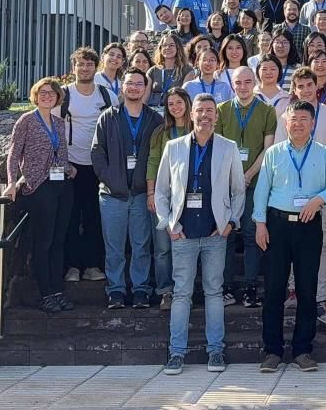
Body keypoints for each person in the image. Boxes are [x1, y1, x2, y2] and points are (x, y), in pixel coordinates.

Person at [155, 93, 246, 375]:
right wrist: (169, 223)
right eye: (200, 110)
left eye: (210, 111)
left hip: (215, 232)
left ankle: (215, 351)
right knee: (181, 293)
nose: (205, 115)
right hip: (183, 232)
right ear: (191, 114)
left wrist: (231, 222)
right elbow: (161, 191)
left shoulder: (228, 148)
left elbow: (238, 190)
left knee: (214, 292)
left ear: (217, 116)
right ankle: (176, 352)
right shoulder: (174, 147)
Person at [253, 100, 326, 373]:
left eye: (304, 119)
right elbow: (262, 192)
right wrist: (260, 223)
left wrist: (319, 200)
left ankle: (303, 350)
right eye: (294, 119)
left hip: (309, 226)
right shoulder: (274, 153)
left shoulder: (324, 153)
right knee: (274, 291)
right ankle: (272, 351)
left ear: (313, 123)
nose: (299, 123)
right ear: (285, 122)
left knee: (307, 290)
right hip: (277, 226)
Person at [275, 68, 326, 329]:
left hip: (321, 192)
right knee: (292, 245)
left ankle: (320, 298)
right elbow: (282, 154)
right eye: (300, 86)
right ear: (293, 89)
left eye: (309, 85)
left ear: (317, 86)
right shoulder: (287, 116)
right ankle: (294, 291)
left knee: (322, 244)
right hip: (291, 194)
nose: (305, 90)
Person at [91, 68, 164, 309]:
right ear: (122, 87)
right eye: (129, 83)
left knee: (141, 244)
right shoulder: (108, 117)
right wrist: (110, 179)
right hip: (113, 194)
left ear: (146, 88)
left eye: (138, 84)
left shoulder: (155, 119)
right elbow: (97, 152)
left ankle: (141, 289)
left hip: (142, 193)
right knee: (114, 246)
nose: (134, 88)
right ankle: (116, 291)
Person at [6, 77, 76, 312]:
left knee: (59, 240)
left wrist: (69, 170)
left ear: (58, 97)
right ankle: (45, 293)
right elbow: (14, 154)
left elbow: (62, 153)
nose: (47, 96)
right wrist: (12, 182)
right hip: (38, 186)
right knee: (43, 241)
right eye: (43, 92)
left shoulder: (59, 123)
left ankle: (58, 291)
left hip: (61, 184)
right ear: (35, 95)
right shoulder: (26, 120)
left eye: (52, 93)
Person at [216, 67, 278, 309]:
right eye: (238, 82)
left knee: (252, 235)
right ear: (232, 84)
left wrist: (249, 174)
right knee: (227, 235)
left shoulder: (267, 110)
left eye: (247, 82)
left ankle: (251, 286)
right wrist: (233, 177)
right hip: (226, 183)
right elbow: (218, 147)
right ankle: (226, 286)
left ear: (255, 82)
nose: (243, 87)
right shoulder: (221, 110)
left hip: (255, 182)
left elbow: (269, 147)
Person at [60, 47, 113, 284]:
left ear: (96, 67)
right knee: (71, 216)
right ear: (73, 68)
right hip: (70, 164)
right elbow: (53, 129)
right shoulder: (63, 95)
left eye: (89, 64)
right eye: (80, 65)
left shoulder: (106, 94)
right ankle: (72, 266)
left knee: (94, 216)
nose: (85, 68)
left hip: (98, 165)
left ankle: (93, 265)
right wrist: (60, 162)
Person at [146, 88, 191, 310]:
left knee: (187, 246)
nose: (175, 107)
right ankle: (166, 291)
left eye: (178, 102)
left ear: (187, 103)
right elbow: (153, 163)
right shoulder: (160, 132)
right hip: (165, 195)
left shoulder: (197, 129)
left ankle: (185, 291)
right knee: (163, 247)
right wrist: (151, 193)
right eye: (170, 104)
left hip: (191, 197)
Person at [149, 34, 187, 110]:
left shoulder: (186, 70)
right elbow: (145, 97)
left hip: (175, 110)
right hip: (153, 110)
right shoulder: (153, 70)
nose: (167, 48)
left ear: (178, 48)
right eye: (164, 45)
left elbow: (185, 97)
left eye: (171, 45)